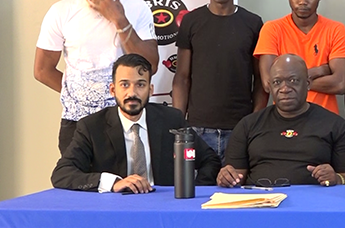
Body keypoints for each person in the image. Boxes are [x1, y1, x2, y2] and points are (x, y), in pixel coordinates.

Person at [35, 0, 159, 155]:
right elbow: (42, 70)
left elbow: (151, 64)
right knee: (79, 186)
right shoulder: (61, 10)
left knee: (127, 186)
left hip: (126, 120)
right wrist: (81, 94)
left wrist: (118, 19)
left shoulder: (136, 8)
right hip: (78, 123)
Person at [51, 54, 220, 193]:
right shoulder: (91, 127)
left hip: (165, 208)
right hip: (116, 211)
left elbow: (209, 161)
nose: (132, 93)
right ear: (113, 89)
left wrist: (190, 190)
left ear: (150, 90)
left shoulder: (172, 120)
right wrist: (113, 183)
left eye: (140, 85)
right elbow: (62, 173)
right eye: (124, 85)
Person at [172, 0, 267, 164]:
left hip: (239, 129)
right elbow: (182, 77)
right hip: (198, 128)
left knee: (236, 193)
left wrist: (253, 122)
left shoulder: (253, 23)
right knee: (196, 192)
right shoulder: (192, 22)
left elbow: (260, 80)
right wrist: (180, 124)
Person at [218, 54, 345, 187]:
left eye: (293, 80)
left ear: (307, 83)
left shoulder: (335, 125)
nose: (284, 88)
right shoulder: (248, 125)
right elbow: (236, 176)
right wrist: (227, 178)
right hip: (261, 206)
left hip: (313, 206)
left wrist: (336, 178)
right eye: (277, 82)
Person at [254, 0, 345, 115]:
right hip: (284, 123)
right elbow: (268, 83)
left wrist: (286, 81)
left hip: (325, 124)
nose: (302, 1)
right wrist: (320, 70)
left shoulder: (335, 30)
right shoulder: (272, 29)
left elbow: (339, 84)